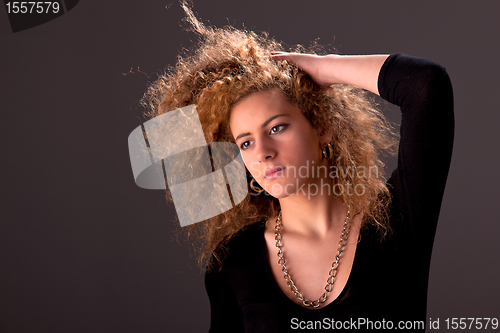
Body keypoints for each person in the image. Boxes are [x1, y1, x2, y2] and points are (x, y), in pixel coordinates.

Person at [142, 3, 454, 332]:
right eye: (245, 142)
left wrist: (321, 68)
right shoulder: (233, 263)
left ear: (321, 126)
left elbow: (426, 85)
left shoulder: (397, 219)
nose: (262, 152)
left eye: (277, 128)